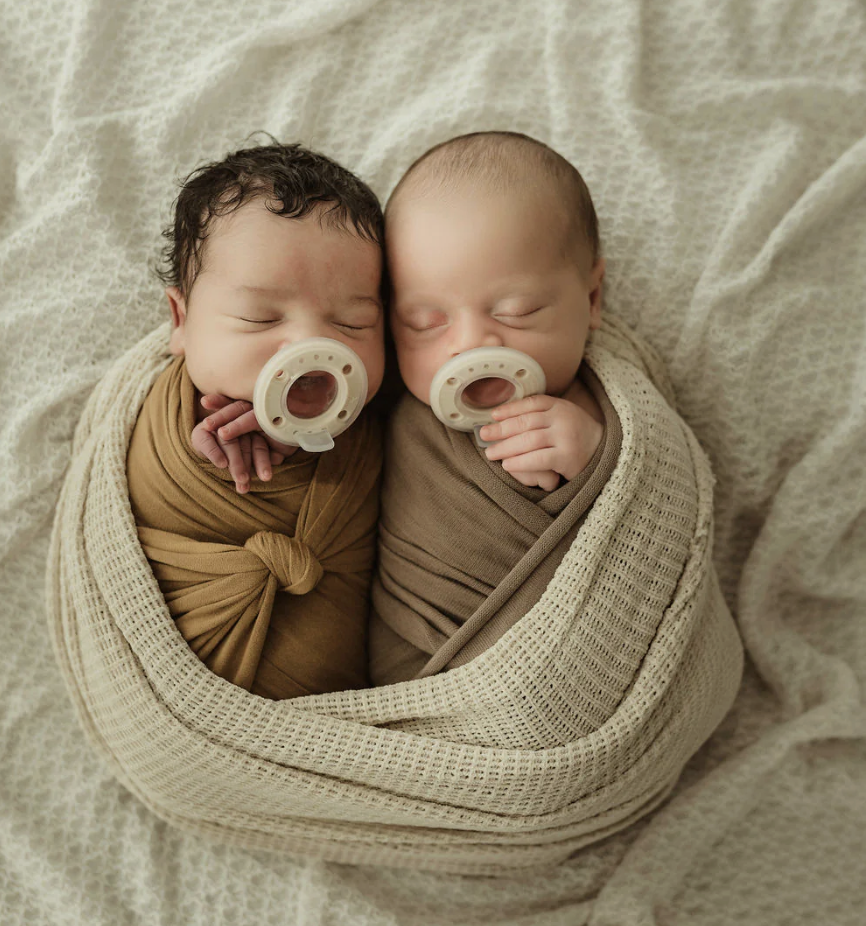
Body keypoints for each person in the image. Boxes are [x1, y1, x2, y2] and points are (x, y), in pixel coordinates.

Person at [125, 140, 387, 699]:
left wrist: (310, 447)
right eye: (258, 317)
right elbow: (146, 503)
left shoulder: (384, 424)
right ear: (181, 320)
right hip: (181, 701)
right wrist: (198, 464)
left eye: (353, 323)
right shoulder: (165, 417)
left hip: (349, 707)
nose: (310, 347)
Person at [368, 131, 623, 684]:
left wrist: (599, 460)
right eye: (424, 323)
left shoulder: (610, 412)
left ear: (593, 298)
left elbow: (653, 506)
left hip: (573, 672)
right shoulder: (391, 405)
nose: (471, 345)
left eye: (516, 311)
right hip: (417, 669)